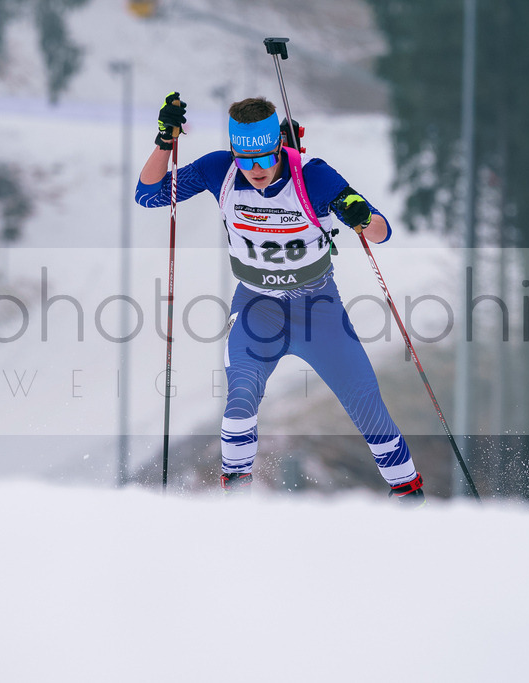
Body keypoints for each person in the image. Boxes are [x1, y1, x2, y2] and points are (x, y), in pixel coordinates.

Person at [135, 92, 425, 503]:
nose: (255, 170)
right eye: (245, 159)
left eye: (264, 158)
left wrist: (360, 214)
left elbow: (381, 232)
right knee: (240, 399)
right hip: (257, 309)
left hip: (317, 310)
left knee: (367, 405)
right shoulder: (220, 170)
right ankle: (235, 502)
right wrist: (165, 141)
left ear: (280, 148)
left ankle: (409, 495)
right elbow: (148, 195)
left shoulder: (313, 176)